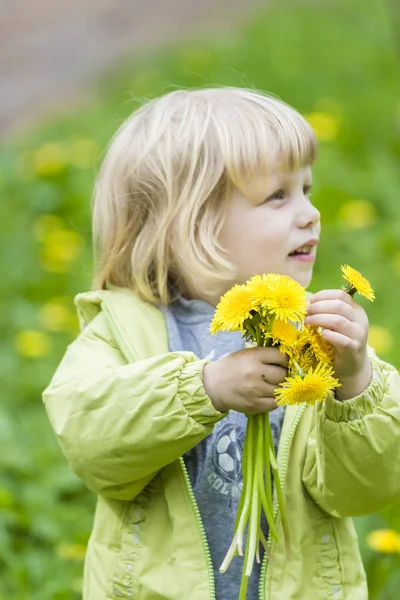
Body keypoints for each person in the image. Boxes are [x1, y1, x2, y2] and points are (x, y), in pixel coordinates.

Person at [43, 87, 400, 600]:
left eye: (307, 190)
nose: (310, 214)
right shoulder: (123, 330)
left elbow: (366, 487)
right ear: (189, 225)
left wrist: (355, 382)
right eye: (277, 196)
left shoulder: (315, 336)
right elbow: (90, 441)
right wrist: (203, 389)